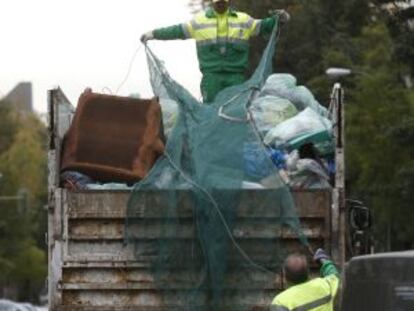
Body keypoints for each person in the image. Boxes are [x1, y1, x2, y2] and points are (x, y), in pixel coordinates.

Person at [141, 0, 290, 103]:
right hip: (211, 78)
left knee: (235, 112)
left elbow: (264, 25)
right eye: (218, 2)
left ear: (228, 2)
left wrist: (279, 19)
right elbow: (176, 31)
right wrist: (153, 34)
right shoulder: (199, 22)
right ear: (213, 3)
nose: (220, 5)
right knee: (211, 111)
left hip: (236, 77)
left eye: (223, 2)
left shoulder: (243, 20)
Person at [271, 249, 340, 311]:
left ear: (285, 276)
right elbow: (333, 274)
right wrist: (322, 259)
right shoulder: (325, 286)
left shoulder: (280, 302)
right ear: (308, 273)